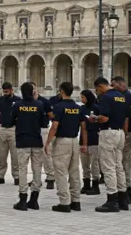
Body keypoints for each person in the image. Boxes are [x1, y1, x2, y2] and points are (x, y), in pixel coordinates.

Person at [46, 82, 87, 212]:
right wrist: (84, 143)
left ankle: (64, 202)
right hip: (74, 141)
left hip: (62, 141)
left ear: (62, 91)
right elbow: (84, 127)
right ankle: (76, 201)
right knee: (74, 172)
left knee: (61, 172)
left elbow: (54, 126)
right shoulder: (78, 107)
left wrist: (47, 143)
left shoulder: (58, 107)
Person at [93, 77, 129, 212]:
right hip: (120, 132)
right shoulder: (121, 96)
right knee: (118, 166)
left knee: (108, 167)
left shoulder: (106, 97)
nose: (98, 92)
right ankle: (122, 199)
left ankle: (112, 200)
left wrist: (95, 119)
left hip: (108, 133)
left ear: (100, 86)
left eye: (97, 89)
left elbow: (104, 117)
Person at [12, 82, 45, 211]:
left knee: (23, 169)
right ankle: (34, 199)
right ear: (32, 92)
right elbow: (44, 123)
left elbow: (9, 121)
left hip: (22, 140)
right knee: (37, 169)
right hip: (36, 140)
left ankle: (23, 199)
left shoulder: (17, 105)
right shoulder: (39, 105)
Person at [112, 76, 131, 204]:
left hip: (126, 133)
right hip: (124, 133)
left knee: (124, 163)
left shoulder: (127, 97)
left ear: (121, 84)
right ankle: (125, 192)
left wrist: (127, 133)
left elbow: (130, 117)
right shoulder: (124, 96)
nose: (112, 87)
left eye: (114, 84)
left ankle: (127, 192)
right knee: (121, 163)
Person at [0, 82, 22, 185]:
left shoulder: (18, 100)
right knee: (2, 155)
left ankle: (17, 176)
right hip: (2, 129)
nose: (5, 93)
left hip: (13, 129)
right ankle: (0, 176)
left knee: (15, 156)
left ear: (11, 90)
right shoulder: (1, 99)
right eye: (3, 91)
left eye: (6, 91)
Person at [32, 82, 55, 190]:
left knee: (46, 154)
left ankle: (50, 177)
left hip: (42, 129)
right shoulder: (26, 102)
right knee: (34, 156)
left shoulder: (44, 101)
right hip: (32, 130)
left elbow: (51, 116)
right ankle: (36, 179)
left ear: (36, 89)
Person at [79, 89, 101, 195]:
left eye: (83, 97)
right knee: (84, 163)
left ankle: (95, 184)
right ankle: (86, 183)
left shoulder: (96, 108)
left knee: (94, 163)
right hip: (83, 138)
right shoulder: (81, 109)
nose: (81, 99)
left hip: (94, 137)